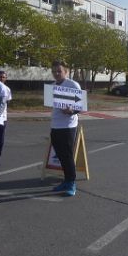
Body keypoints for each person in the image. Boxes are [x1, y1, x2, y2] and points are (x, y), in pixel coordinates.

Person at [50, 60, 82, 197]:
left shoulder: (72, 84)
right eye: (54, 71)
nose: (56, 73)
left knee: (67, 156)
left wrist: (71, 111)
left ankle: (72, 183)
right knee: (61, 155)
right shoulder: (52, 86)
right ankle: (66, 180)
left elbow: (80, 106)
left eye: (59, 71)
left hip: (68, 126)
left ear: (66, 72)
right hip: (55, 125)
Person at [0, 70, 12, 155]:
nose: (1, 78)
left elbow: (7, 102)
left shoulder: (7, 89)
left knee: (1, 136)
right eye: (0, 77)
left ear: (6, 79)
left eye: (3, 77)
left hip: (3, 117)